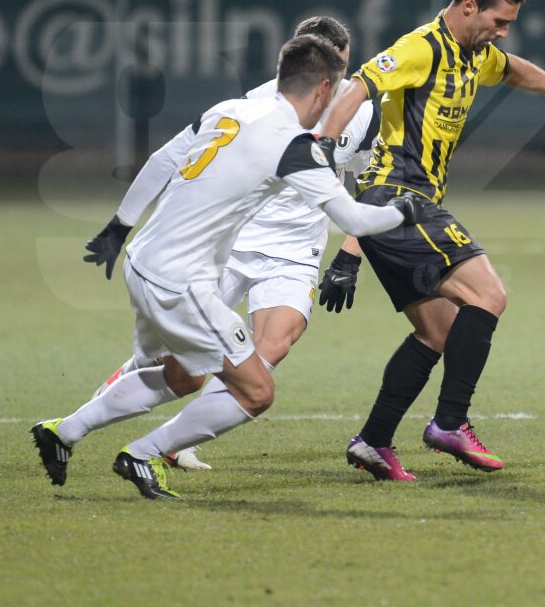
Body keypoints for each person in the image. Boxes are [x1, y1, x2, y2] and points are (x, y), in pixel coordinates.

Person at [30, 35, 428, 500]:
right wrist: (406, 210)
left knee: (182, 375)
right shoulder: (292, 145)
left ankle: (63, 431)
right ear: (324, 89)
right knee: (256, 391)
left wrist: (119, 228)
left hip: (143, 261)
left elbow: (163, 159)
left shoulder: (229, 110)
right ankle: (143, 454)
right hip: (181, 283)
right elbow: (356, 218)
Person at [314, 0, 545, 480]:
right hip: (400, 199)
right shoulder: (421, 47)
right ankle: (450, 421)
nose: (503, 33)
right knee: (489, 296)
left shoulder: (476, 52)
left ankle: (373, 439)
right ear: (469, 6)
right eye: (499, 22)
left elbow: (513, 68)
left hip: (401, 208)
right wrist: (320, 145)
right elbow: (360, 86)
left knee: (437, 333)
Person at [81, 17, 377, 471]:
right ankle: (104, 403)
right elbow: (183, 160)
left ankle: (174, 440)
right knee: (179, 361)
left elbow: (370, 182)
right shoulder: (259, 103)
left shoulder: (363, 112)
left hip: (296, 255)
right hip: (234, 244)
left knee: (273, 346)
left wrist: (351, 256)